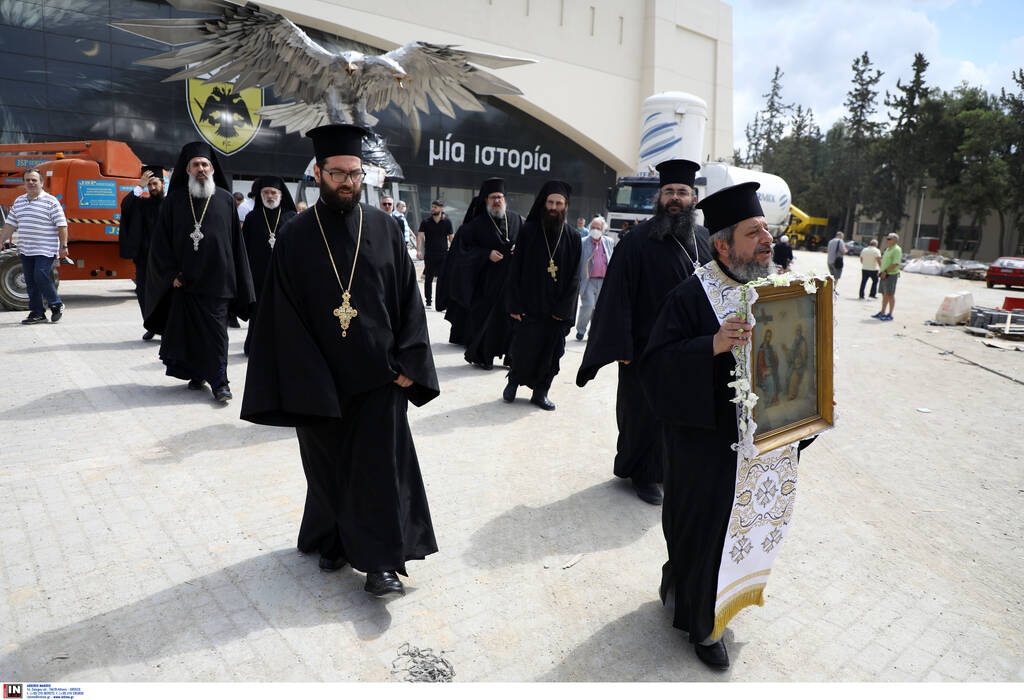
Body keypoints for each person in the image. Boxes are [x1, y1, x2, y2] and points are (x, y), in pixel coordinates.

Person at [240, 124, 439, 598]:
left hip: (382, 378)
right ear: (317, 173)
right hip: (321, 381)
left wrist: (411, 362)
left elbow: (410, 300)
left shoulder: (386, 228)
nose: (348, 182)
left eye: (355, 173)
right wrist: (306, 379)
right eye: (337, 174)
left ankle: (381, 565)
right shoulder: (295, 235)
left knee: (378, 472)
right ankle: (335, 538)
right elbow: (281, 315)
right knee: (327, 467)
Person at [639, 181, 812, 670]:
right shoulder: (690, 297)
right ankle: (702, 626)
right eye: (754, 233)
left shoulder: (779, 290)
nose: (767, 240)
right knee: (703, 534)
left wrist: (810, 398)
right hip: (705, 447)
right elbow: (655, 370)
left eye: (767, 232)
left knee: (744, 530)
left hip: (761, 449)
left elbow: (794, 357)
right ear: (722, 245)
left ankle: (700, 594)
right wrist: (710, 346)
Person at [576, 159, 710, 506]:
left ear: (694, 197)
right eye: (669, 192)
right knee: (643, 414)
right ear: (659, 198)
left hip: (689, 347)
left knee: (680, 413)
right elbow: (616, 295)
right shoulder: (635, 241)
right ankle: (643, 473)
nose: (675, 198)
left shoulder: (704, 239)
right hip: (644, 346)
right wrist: (620, 343)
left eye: (682, 192)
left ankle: (669, 471)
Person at [143, 141, 255, 403]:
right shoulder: (173, 202)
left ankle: (220, 382)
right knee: (189, 332)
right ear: (188, 169)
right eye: (196, 165)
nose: (201, 169)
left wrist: (241, 281)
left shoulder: (226, 200)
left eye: (205, 164)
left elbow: (236, 246)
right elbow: (160, 243)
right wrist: (171, 274)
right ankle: (198, 373)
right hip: (185, 282)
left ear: (213, 169)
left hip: (218, 282)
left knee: (217, 334)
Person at [503, 180, 582, 411]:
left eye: (559, 203)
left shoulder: (574, 237)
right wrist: (514, 304)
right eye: (550, 202)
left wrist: (564, 310)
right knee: (522, 349)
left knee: (551, 354)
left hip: (556, 311)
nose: (554, 207)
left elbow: (575, 278)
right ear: (543, 203)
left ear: (566, 205)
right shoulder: (528, 231)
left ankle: (541, 392)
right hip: (529, 306)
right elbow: (515, 270)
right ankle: (513, 383)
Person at [460, 178, 524, 370]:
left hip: (512, 281)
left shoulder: (517, 219)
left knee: (513, 320)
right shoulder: (475, 225)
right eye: (493, 197)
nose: (497, 201)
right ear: (486, 200)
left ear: (505, 199)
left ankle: (512, 357)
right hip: (486, 282)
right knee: (486, 320)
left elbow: (529, 243)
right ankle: (484, 357)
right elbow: (462, 252)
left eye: (500, 197)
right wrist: (485, 254)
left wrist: (519, 249)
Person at [1, 168, 68, 324]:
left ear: (42, 183)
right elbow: (10, 224)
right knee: (30, 281)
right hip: (25, 249)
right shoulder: (19, 201)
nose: (31, 183)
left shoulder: (51, 202)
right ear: (24, 183)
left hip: (46, 249)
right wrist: (1, 241)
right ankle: (37, 313)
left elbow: (62, 225)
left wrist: (63, 246)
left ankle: (56, 304)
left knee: (40, 275)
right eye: (27, 180)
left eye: (34, 180)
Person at [241, 176, 298, 354]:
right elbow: (245, 247)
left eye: (274, 192)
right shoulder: (252, 218)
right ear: (260, 195)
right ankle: (255, 346)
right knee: (258, 314)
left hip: (284, 276)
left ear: (281, 195)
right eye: (266, 192)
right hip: (258, 276)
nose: (270, 196)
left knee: (283, 313)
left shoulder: (292, 217)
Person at [119, 165, 166, 339]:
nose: (153, 188)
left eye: (155, 184)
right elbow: (126, 206)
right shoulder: (143, 204)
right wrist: (140, 186)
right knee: (143, 293)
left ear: (162, 183)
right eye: (150, 185)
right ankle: (151, 325)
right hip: (144, 259)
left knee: (164, 294)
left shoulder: (170, 204)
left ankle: (166, 327)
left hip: (165, 260)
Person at [574, 216, 614, 341]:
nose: (595, 230)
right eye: (593, 227)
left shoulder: (608, 241)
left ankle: (593, 332)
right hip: (588, 280)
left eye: (598, 228)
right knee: (588, 305)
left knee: (599, 309)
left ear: (603, 229)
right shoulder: (583, 242)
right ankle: (581, 330)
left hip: (603, 280)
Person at [416, 200, 453, 308]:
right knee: (429, 278)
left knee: (442, 279)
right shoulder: (426, 222)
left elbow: (451, 237)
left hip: (443, 255)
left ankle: (441, 301)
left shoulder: (447, 222)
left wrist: (455, 251)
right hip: (430, 254)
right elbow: (420, 236)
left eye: (435, 207)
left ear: (441, 209)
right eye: (432, 207)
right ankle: (428, 301)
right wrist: (418, 250)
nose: (433, 209)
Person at [872, 232, 902, 321]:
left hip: (891, 275)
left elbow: (896, 263)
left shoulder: (896, 249)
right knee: (884, 294)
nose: (887, 240)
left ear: (895, 240)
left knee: (890, 294)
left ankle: (890, 314)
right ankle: (882, 312)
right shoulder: (888, 249)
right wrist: (881, 271)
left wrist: (885, 271)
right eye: (887, 238)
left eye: (889, 239)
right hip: (884, 274)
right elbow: (884, 261)